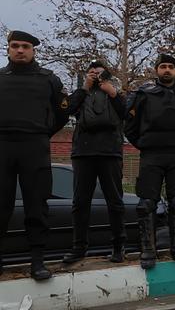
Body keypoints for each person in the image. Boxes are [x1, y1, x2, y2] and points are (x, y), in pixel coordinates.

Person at [0, 30, 68, 280]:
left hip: (35, 147)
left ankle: (37, 262)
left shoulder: (49, 79)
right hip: (2, 146)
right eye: (15, 45)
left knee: (36, 206)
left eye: (25, 46)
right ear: (8, 49)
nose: (20, 50)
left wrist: (42, 132)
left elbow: (62, 113)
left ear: (33, 50)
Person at [125, 54, 175, 269]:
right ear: (157, 70)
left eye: (171, 67)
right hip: (151, 154)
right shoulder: (142, 95)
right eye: (163, 66)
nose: (167, 70)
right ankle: (148, 249)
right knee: (146, 204)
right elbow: (129, 123)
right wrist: (142, 143)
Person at [62, 60, 127, 265]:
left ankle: (118, 247)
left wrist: (113, 92)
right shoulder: (82, 93)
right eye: (91, 73)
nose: (95, 76)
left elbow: (128, 113)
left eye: (99, 73)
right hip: (83, 153)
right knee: (80, 203)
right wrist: (84, 88)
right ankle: (79, 248)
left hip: (110, 153)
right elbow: (67, 110)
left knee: (115, 202)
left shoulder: (116, 93)